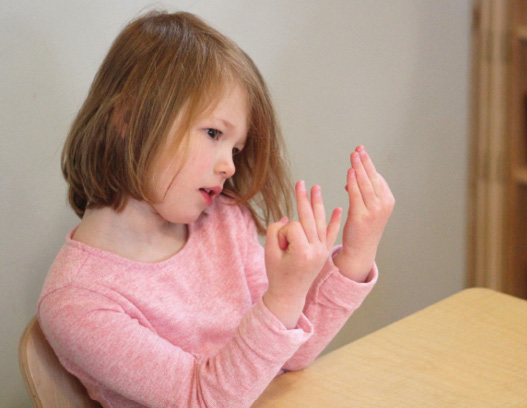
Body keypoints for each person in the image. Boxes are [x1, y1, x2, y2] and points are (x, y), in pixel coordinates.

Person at [37, 10, 394, 408]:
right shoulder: (77, 299)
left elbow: (289, 355)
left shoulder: (224, 223)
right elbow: (202, 399)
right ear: (128, 118)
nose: (230, 165)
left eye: (236, 148)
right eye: (213, 133)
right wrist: (284, 296)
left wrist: (356, 256)